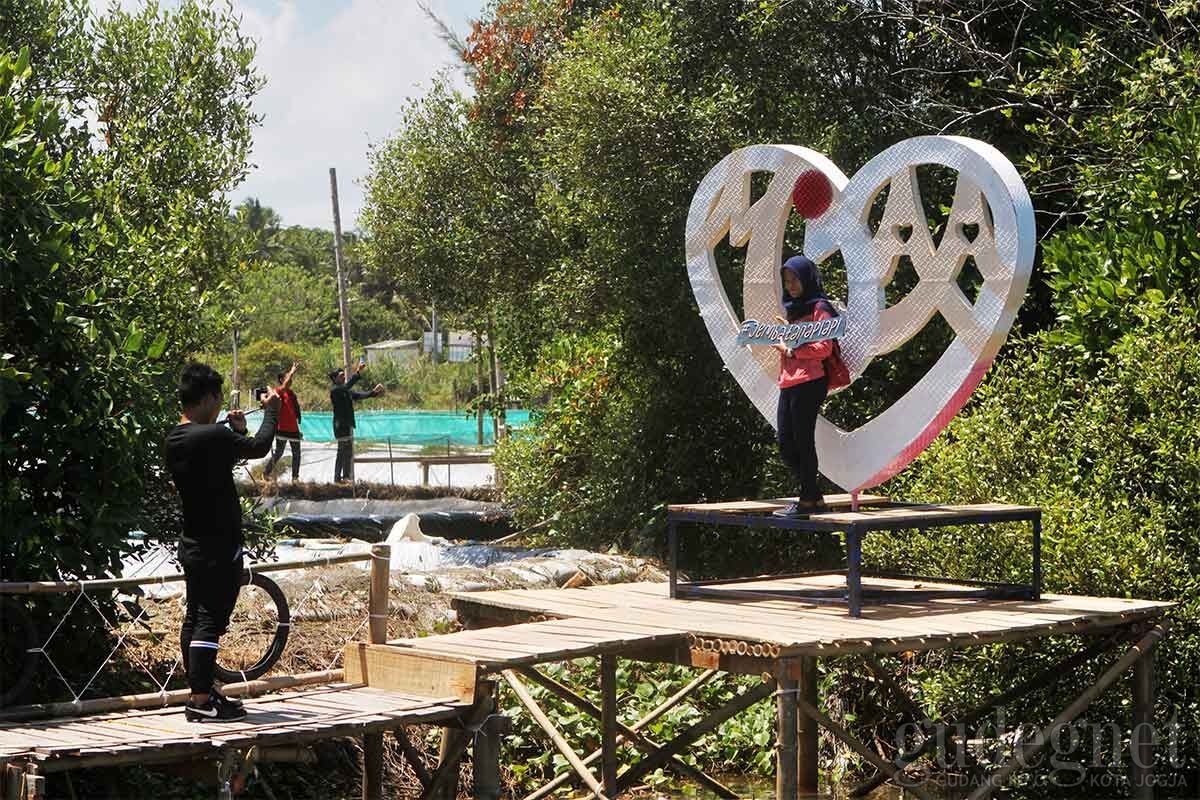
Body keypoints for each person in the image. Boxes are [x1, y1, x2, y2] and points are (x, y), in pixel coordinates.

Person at [164, 363, 280, 722]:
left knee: (195, 618)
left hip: (194, 542)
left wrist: (234, 431)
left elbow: (219, 455)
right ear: (210, 397)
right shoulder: (213, 437)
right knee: (210, 622)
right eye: (217, 399)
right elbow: (259, 447)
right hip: (219, 545)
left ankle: (202, 691)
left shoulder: (176, 439)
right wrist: (273, 412)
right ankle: (200, 701)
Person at [772, 255, 838, 518]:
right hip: (789, 382)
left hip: (810, 381)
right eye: (787, 281)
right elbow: (801, 340)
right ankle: (815, 498)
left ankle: (805, 501)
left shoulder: (820, 307)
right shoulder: (795, 309)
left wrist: (790, 350)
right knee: (786, 444)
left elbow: (824, 347)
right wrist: (789, 332)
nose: (791, 286)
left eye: (795, 279)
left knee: (802, 441)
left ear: (807, 278)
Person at [329, 359, 383, 484]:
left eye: (344, 376)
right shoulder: (335, 390)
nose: (343, 378)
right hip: (340, 426)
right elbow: (347, 386)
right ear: (335, 379)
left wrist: (373, 393)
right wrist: (358, 372)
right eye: (341, 376)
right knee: (341, 451)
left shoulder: (345, 390)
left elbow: (358, 395)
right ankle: (337, 478)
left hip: (347, 425)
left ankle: (346, 477)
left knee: (348, 452)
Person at [261, 362, 302, 482]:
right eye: (287, 376)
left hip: (293, 429)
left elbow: (295, 408)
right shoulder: (277, 391)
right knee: (279, 452)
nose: (290, 379)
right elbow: (286, 384)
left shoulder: (291, 393)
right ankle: (265, 473)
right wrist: (292, 371)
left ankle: (295, 478)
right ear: (281, 380)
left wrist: (298, 418)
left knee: (297, 454)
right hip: (282, 428)